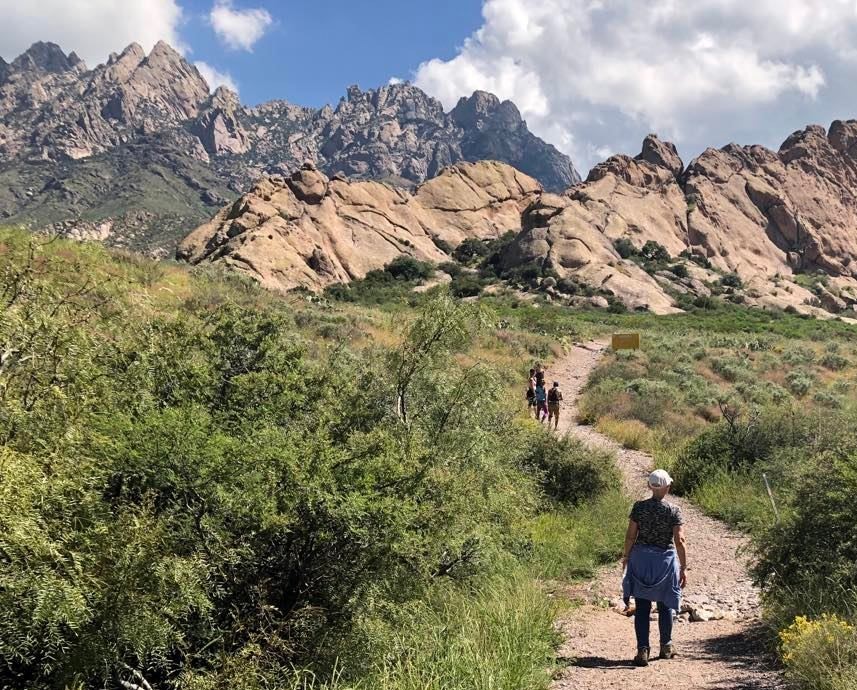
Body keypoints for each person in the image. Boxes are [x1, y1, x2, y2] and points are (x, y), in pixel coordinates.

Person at [621, 469, 687, 667]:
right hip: (664, 561)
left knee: (642, 606)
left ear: (650, 486)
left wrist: (626, 556)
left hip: (641, 558)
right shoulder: (673, 510)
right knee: (665, 603)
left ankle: (643, 650)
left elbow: (631, 536)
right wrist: (683, 567)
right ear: (667, 487)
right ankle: (666, 646)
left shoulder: (639, 507)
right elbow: (680, 540)